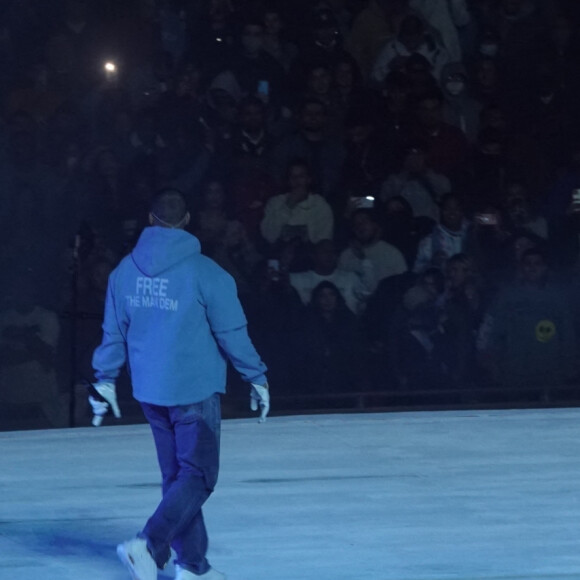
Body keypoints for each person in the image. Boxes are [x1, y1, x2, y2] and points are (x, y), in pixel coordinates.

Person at [90, 189, 270, 580]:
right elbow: (232, 333)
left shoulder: (124, 272)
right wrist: (256, 376)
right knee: (199, 476)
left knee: (178, 479)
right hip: (194, 392)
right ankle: (148, 543)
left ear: (150, 220)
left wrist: (104, 380)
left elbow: (113, 334)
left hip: (151, 393)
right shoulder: (207, 274)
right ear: (188, 222)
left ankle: (193, 567)